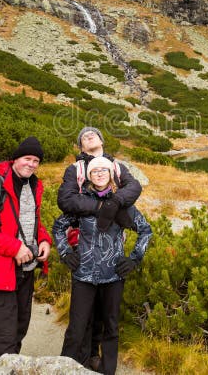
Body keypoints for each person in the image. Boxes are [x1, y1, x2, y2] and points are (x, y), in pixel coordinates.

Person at [56, 126, 143, 370]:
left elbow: (134, 187)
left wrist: (114, 202)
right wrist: (100, 208)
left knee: (103, 319)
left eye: (93, 133)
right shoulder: (75, 169)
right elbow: (66, 200)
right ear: (81, 147)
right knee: (81, 319)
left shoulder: (115, 165)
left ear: (102, 140)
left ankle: (95, 359)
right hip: (84, 252)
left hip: (111, 259)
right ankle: (74, 363)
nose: (89, 135)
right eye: (83, 136)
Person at [0, 136, 52, 360]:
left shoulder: (34, 185)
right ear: (15, 159)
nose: (31, 164)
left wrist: (44, 240)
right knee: (4, 337)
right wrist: (14, 248)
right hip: (1, 270)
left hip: (27, 271)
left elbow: (33, 222)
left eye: (36, 160)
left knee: (19, 329)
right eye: (27, 158)